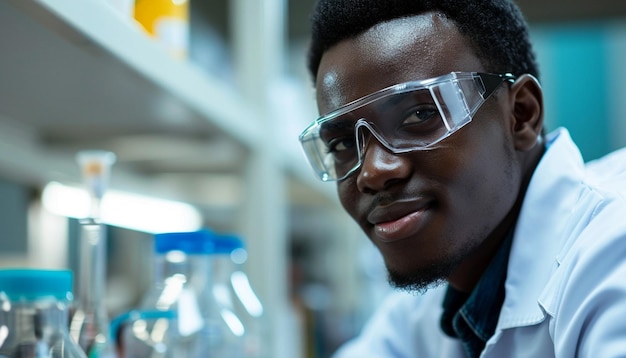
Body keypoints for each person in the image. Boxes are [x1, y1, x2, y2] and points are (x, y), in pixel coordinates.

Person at [297, 0, 626, 357]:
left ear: (521, 115)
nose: (373, 172)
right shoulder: (437, 298)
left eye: (419, 114)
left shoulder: (611, 251)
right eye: (343, 143)